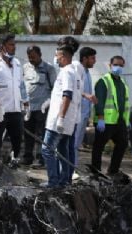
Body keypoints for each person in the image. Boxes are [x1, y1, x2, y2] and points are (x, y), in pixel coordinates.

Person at [43, 43, 79, 188]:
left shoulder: (66, 72)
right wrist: (50, 102)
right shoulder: (74, 73)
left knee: (47, 150)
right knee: (63, 151)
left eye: (57, 55)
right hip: (68, 121)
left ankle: (53, 182)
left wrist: (61, 118)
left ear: (63, 57)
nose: (55, 58)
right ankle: (64, 181)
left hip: (59, 121)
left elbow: (67, 95)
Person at [0, 33, 28, 165]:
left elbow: (21, 85)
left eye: (14, 44)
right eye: (11, 44)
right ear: (2, 46)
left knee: (17, 139)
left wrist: (26, 104)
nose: (14, 47)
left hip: (15, 109)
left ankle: (14, 162)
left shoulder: (17, 63)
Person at [90, 55, 131, 179]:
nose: (118, 67)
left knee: (122, 144)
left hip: (118, 121)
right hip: (105, 121)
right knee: (99, 147)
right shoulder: (104, 81)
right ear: (110, 65)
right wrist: (101, 118)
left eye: (121, 65)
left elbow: (125, 103)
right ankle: (95, 172)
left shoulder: (122, 82)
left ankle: (113, 170)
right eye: (116, 65)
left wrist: (126, 121)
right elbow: (99, 101)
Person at [22, 46, 55, 168]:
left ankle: (41, 158)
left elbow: (54, 88)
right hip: (28, 108)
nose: (31, 59)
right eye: (29, 57)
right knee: (28, 133)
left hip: (42, 107)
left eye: (33, 57)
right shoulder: (25, 68)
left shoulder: (48, 69)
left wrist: (49, 103)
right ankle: (27, 157)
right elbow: (22, 86)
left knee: (41, 134)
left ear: (40, 55)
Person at [72, 47, 96, 173]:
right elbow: (74, 88)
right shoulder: (77, 69)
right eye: (92, 58)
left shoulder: (87, 72)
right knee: (73, 143)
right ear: (85, 58)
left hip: (84, 114)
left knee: (77, 143)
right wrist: (85, 95)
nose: (95, 61)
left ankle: (72, 168)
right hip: (77, 114)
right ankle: (70, 169)